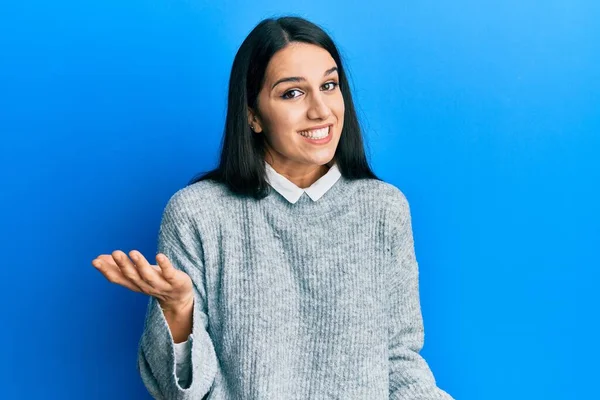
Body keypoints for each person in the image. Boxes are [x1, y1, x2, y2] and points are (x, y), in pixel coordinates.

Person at [92, 15, 454, 400]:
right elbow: (178, 391)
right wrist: (180, 310)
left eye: (329, 86)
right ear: (252, 115)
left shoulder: (384, 209)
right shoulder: (198, 213)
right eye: (292, 93)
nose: (321, 110)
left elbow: (397, 362)